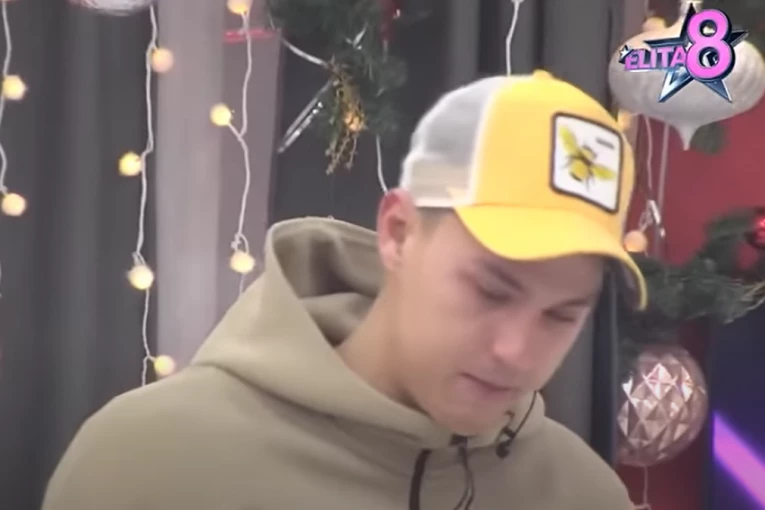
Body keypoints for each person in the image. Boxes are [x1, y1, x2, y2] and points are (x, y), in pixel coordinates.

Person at [43, 70, 647, 510]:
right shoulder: (144, 463)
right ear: (399, 233)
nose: (516, 351)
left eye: (560, 316)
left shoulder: (586, 494)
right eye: (490, 290)